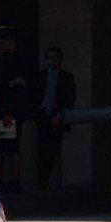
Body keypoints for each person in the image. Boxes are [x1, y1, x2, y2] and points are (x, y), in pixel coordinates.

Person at [0, 36, 27, 194]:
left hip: (12, 114)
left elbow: (17, 90)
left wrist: (9, 112)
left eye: (5, 44)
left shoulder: (18, 65)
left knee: (13, 148)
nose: (1, 48)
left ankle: (14, 181)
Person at [34, 46, 77, 188]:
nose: (52, 60)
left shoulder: (67, 77)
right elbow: (33, 95)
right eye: (49, 57)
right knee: (40, 148)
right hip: (42, 114)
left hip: (56, 114)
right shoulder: (40, 76)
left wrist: (60, 114)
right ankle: (41, 179)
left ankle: (46, 179)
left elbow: (70, 98)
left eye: (55, 57)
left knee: (53, 148)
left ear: (60, 59)